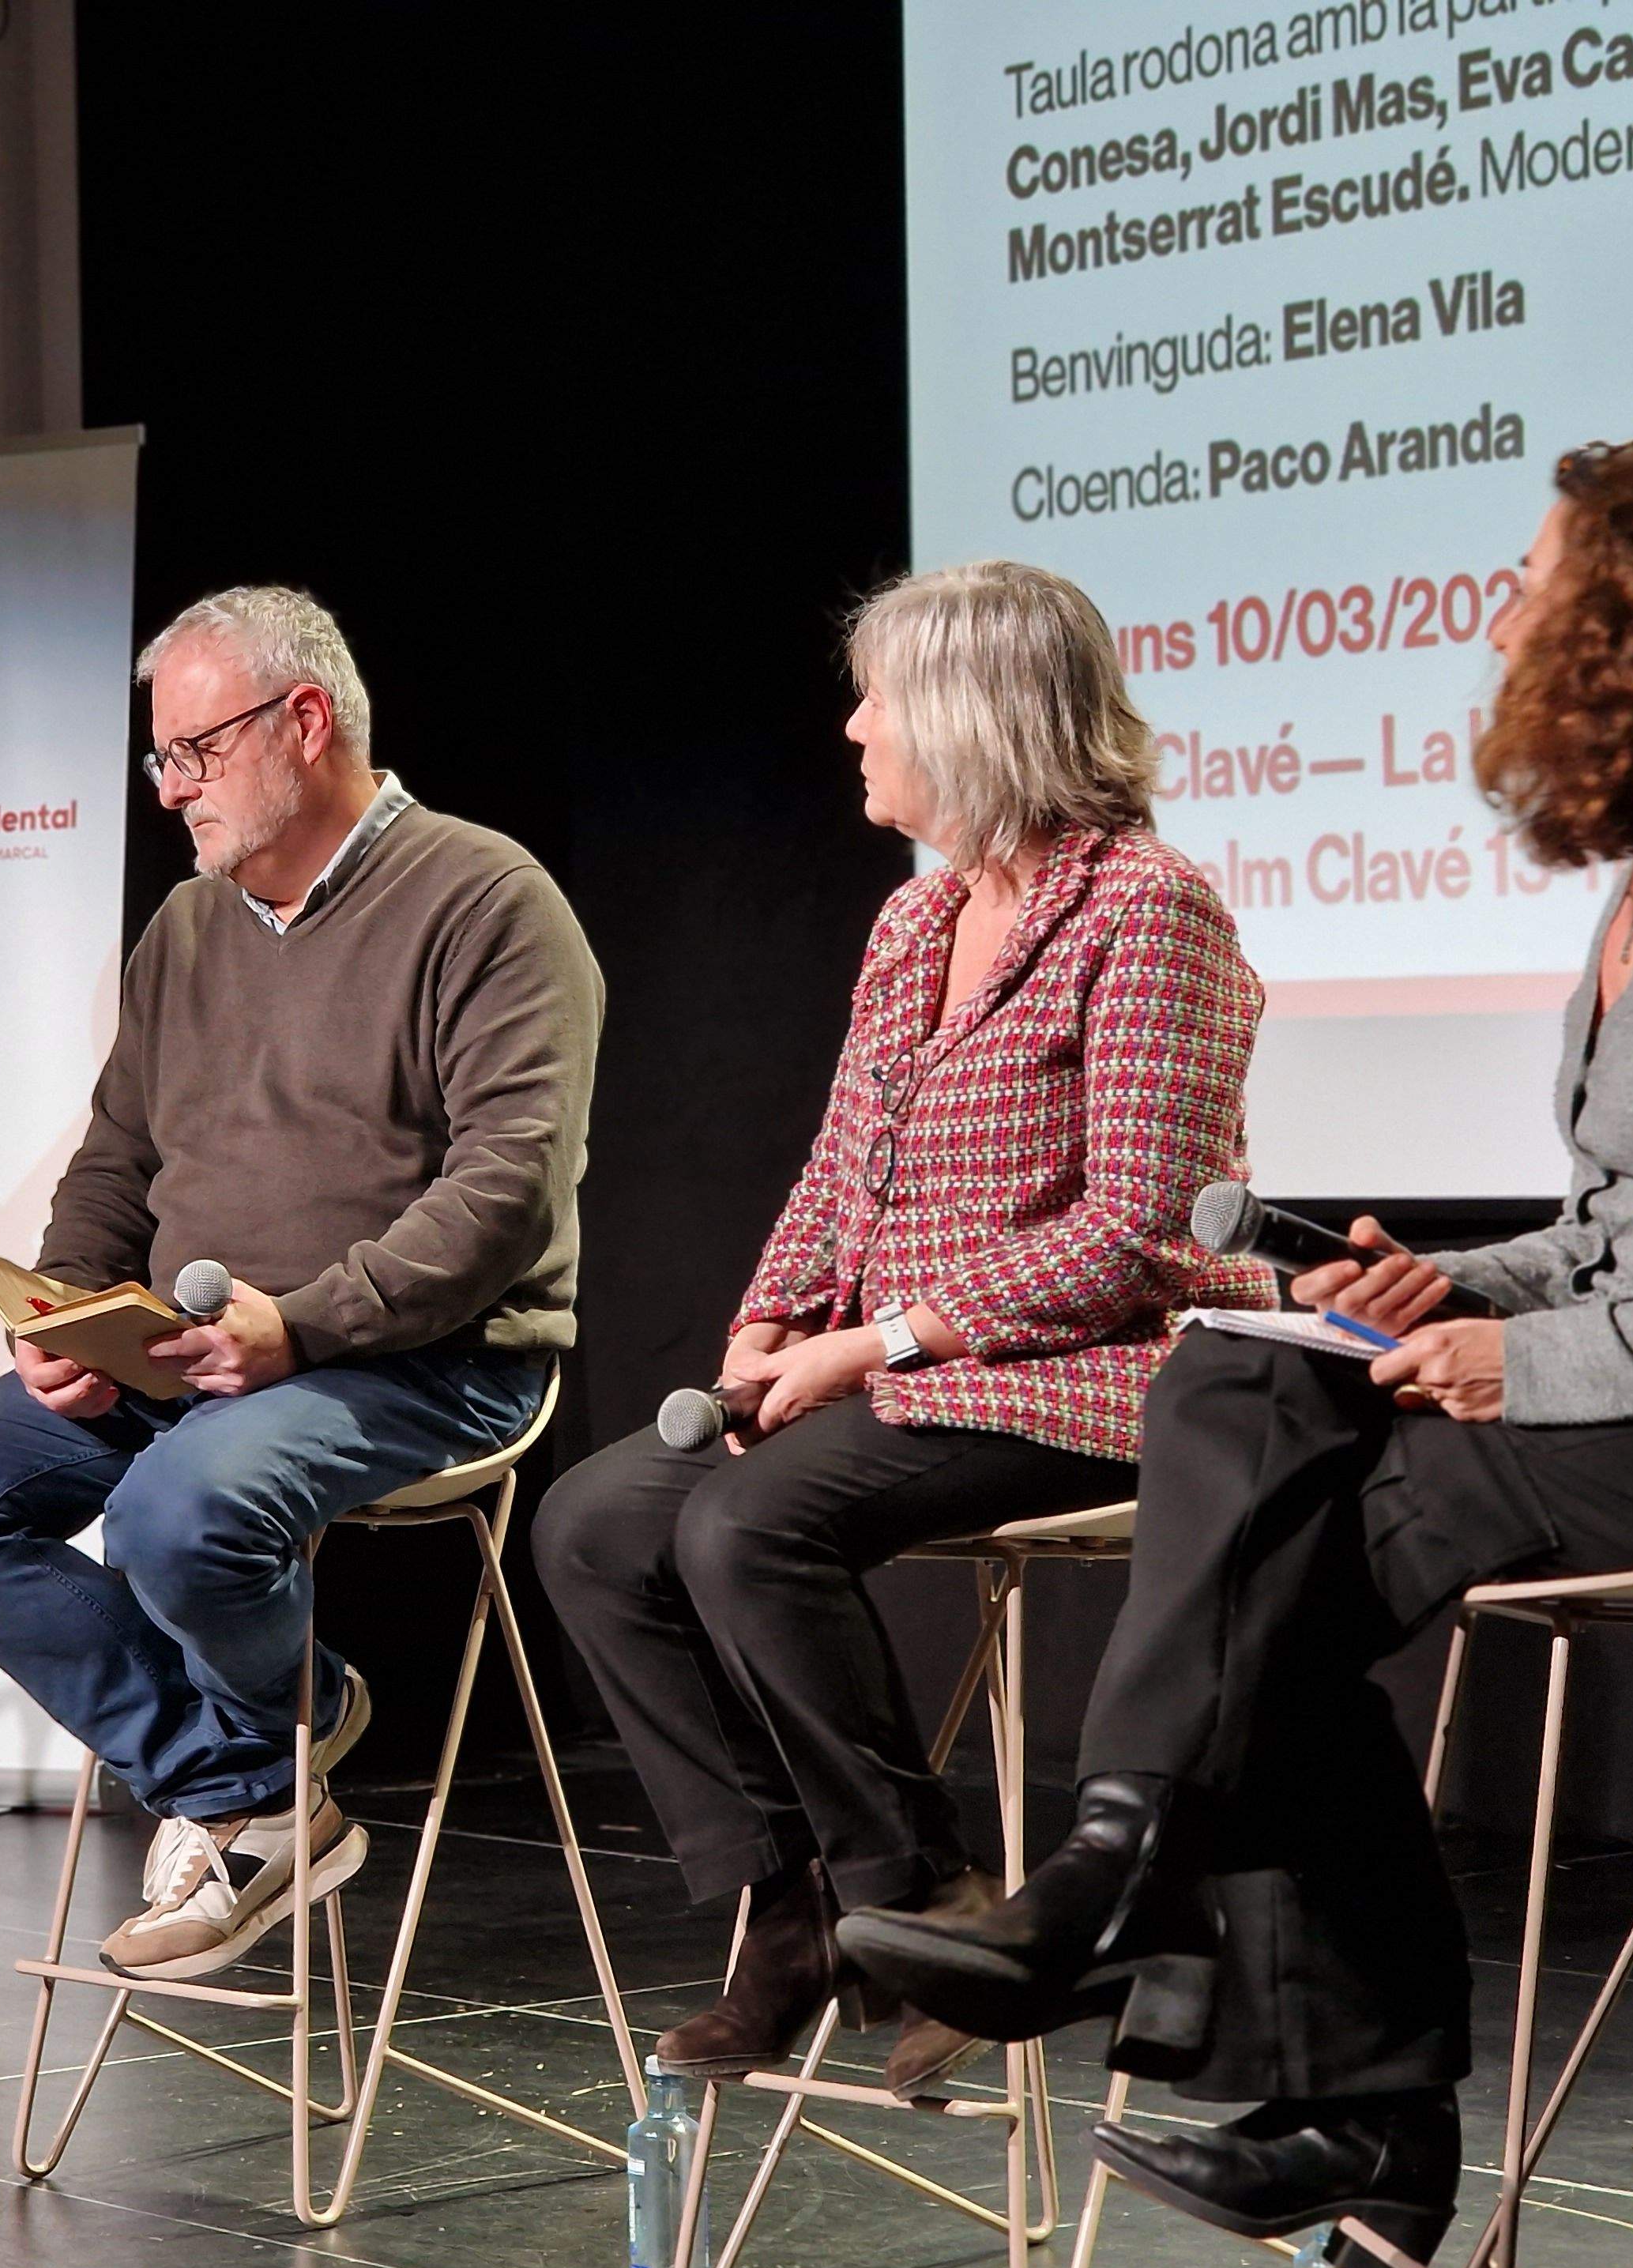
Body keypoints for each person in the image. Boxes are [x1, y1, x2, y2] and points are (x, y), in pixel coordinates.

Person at [837, 439, 1633, 2268]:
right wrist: (1442, 1288)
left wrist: (1512, 1368)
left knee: (1296, 1552)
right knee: (1237, 1378)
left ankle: (1277, 2028)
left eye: (1535, 588)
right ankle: (1162, 1914)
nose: (1501, 622)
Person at [533, 559, 1271, 2099]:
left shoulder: (1149, 910)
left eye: (878, 699)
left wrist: (881, 1345)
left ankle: (918, 1902)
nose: (855, 728)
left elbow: (1142, 1230)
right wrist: (765, 1326)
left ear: (970, 717)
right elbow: (839, 1169)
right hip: (907, 1366)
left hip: (1096, 1369)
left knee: (748, 1528)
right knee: (597, 1527)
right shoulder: (916, 917)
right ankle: (790, 1908)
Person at [0, 586, 601, 1982]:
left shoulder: (487, 900)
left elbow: (506, 1192)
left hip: (424, 1357)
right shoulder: (191, 927)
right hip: (196, 1352)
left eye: (193, 753)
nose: (170, 791)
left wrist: (304, 1327)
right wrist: (66, 1308)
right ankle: (251, 1780)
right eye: (163, 758)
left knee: (175, 1510)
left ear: (303, 722)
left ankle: (255, 1787)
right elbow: (117, 1156)